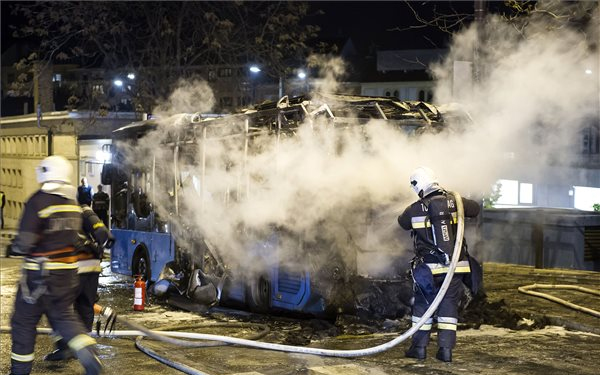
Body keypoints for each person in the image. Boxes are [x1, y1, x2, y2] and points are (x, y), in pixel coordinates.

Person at [7, 155, 103, 375]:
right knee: (64, 317)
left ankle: (19, 371)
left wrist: (14, 248)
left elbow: (26, 241)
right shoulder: (71, 204)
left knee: (23, 322)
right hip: (68, 274)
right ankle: (88, 352)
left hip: (39, 276)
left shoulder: (38, 201)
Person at [398, 166, 480, 363]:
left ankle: (419, 348)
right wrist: (454, 203)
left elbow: (402, 222)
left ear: (418, 186)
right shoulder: (456, 202)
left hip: (428, 269)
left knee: (422, 307)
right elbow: (475, 209)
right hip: (455, 268)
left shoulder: (415, 208)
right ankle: (445, 351)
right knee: (449, 307)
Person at [44, 204, 115, 361]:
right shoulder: (85, 211)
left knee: (59, 306)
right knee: (86, 306)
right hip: (93, 265)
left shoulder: (56, 211)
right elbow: (104, 235)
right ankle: (86, 349)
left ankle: (64, 348)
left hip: (74, 265)